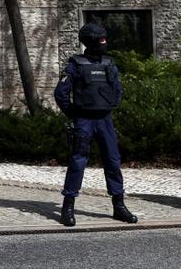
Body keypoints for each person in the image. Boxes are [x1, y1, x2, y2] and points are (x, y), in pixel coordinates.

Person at [54, 22, 138, 227]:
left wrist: (110, 105)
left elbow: (117, 89)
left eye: (105, 39)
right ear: (90, 41)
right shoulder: (75, 64)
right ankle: (68, 206)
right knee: (77, 162)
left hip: (105, 120)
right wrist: (74, 114)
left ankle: (119, 205)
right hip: (84, 120)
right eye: (101, 40)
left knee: (112, 161)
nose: (104, 43)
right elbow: (61, 93)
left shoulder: (109, 63)